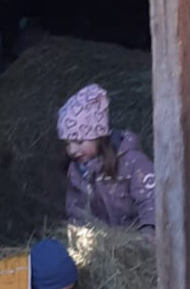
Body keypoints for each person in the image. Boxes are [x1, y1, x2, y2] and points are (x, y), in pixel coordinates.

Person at [58, 84, 156, 230]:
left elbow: (150, 199)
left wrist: (148, 229)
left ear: (98, 137)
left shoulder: (133, 163)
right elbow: (75, 209)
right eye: (67, 144)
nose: (72, 150)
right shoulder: (77, 171)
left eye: (79, 141)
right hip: (104, 246)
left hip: (137, 243)